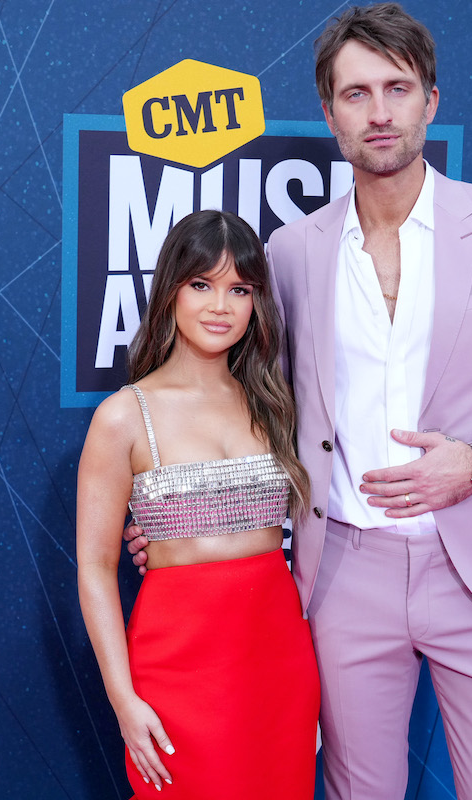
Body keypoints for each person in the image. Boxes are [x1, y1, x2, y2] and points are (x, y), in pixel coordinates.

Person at [130, 4, 472, 799]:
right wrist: (194, 520)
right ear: (329, 114)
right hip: (345, 576)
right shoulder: (292, 253)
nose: (380, 111)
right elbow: (259, 405)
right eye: (356, 93)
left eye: (398, 88)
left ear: (431, 99)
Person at [76, 210, 320, 799]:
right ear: (171, 291)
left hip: (278, 665)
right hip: (177, 668)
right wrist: (123, 699)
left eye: (240, 289)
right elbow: (94, 570)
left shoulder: (274, 402)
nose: (221, 306)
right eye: (202, 285)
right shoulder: (123, 415)